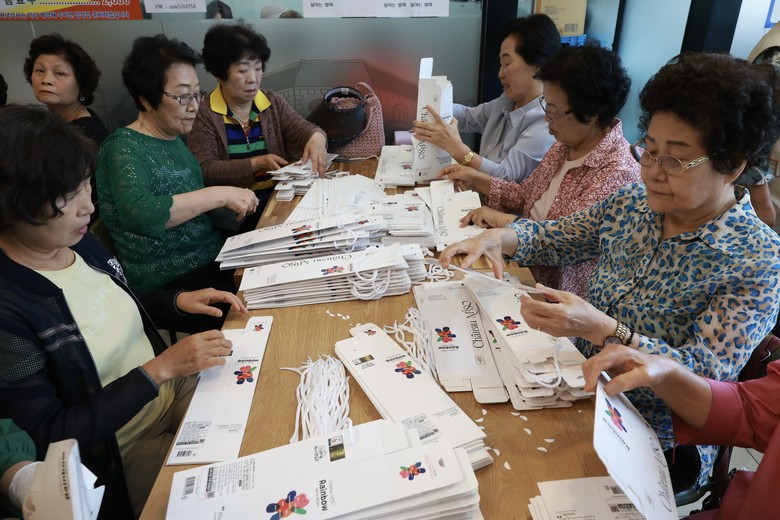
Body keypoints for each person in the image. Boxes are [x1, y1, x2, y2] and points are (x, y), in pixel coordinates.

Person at [439, 52, 780, 493]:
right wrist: (499, 238)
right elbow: (556, 237)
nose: (652, 172)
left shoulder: (756, 260)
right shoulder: (633, 204)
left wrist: (605, 329)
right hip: (575, 383)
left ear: (732, 165)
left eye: (675, 161)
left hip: (657, 433)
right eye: (649, 151)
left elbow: (706, 382)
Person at [0, 104, 247, 518]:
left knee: (260, 405)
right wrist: (158, 371)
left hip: (172, 391)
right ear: (14, 207)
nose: (88, 207)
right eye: (65, 197)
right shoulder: (11, 307)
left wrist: (175, 301)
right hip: (125, 451)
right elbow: (50, 436)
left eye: (85, 185)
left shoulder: (78, 243)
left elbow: (111, 311)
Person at [438, 44, 639, 300]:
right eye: (546, 106)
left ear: (590, 114)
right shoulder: (564, 145)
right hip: (519, 267)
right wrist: (476, 179)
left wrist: (501, 221)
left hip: (552, 294)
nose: (546, 119)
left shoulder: (619, 172)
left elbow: (561, 242)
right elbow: (525, 196)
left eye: (553, 111)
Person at [96, 35, 258, 332]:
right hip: (172, 285)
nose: (194, 106)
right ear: (146, 98)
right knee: (260, 311)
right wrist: (219, 194)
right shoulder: (123, 147)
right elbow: (139, 214)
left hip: (212, 260)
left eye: (197, 94)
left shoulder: (173, 141)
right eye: (183, 96)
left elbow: (191, 209)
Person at [582, 344, 777, 520]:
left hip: (668, 436)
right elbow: (751, 410)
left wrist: (618, 332)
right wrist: (668, 374)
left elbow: (712, 367)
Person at [188, 21, 328, 233]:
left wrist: (316, 137)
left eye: (258, 68)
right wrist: (255, 164)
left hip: (277, 204)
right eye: (243, 70)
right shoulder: (205, 113)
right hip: (234, 217)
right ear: (219, 73)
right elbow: (205, 169)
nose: (253, 79)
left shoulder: (271, 102)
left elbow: (304, 129)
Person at [412, 14, 560, 183]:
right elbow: (468, 117)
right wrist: (433, 105)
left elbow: (506, 178)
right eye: (500, 64)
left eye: (507, 64)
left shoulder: (544, 121)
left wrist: (458, 150)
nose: (500, 74)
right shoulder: (507, 101)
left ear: (538, 65)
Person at [24, 34, 108, 146]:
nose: (46, 80)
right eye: (40, 70)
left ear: (81, 83)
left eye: (59, 73)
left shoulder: (87, 135)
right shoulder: (53, 123)